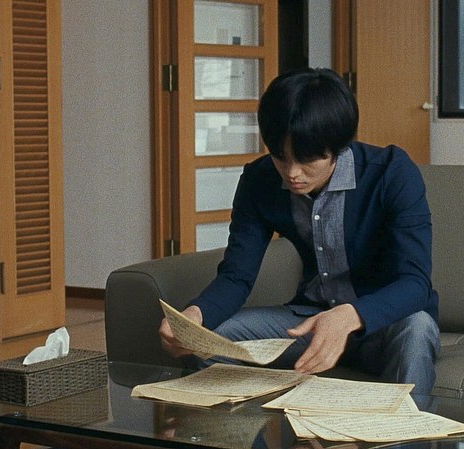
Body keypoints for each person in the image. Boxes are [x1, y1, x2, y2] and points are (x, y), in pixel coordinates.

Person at [158, 67, 440, 394]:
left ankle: (407, 426)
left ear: (338, 147)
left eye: (307, 160)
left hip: (386, 324)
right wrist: (196, 316)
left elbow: (415, 282)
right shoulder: (260, 180)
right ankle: (243, 424)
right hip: (308, 321)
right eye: (281, 157)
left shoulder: (392, 172)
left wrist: (349, 316)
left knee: (417, 329)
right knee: (212, 341)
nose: (292, 173)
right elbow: (237, 276)